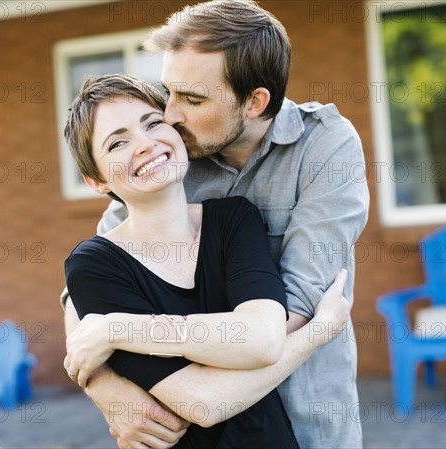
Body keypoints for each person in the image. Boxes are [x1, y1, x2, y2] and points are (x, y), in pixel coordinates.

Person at [62, 1, 370, 448]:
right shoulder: (172, 156)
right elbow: (88, 284)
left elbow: (297, 313)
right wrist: (105, 385)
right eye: (167, 91)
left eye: (192, 98)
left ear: (254, 102)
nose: (169, 115)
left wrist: (123, 335)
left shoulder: (324, 146)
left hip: (307, 422)